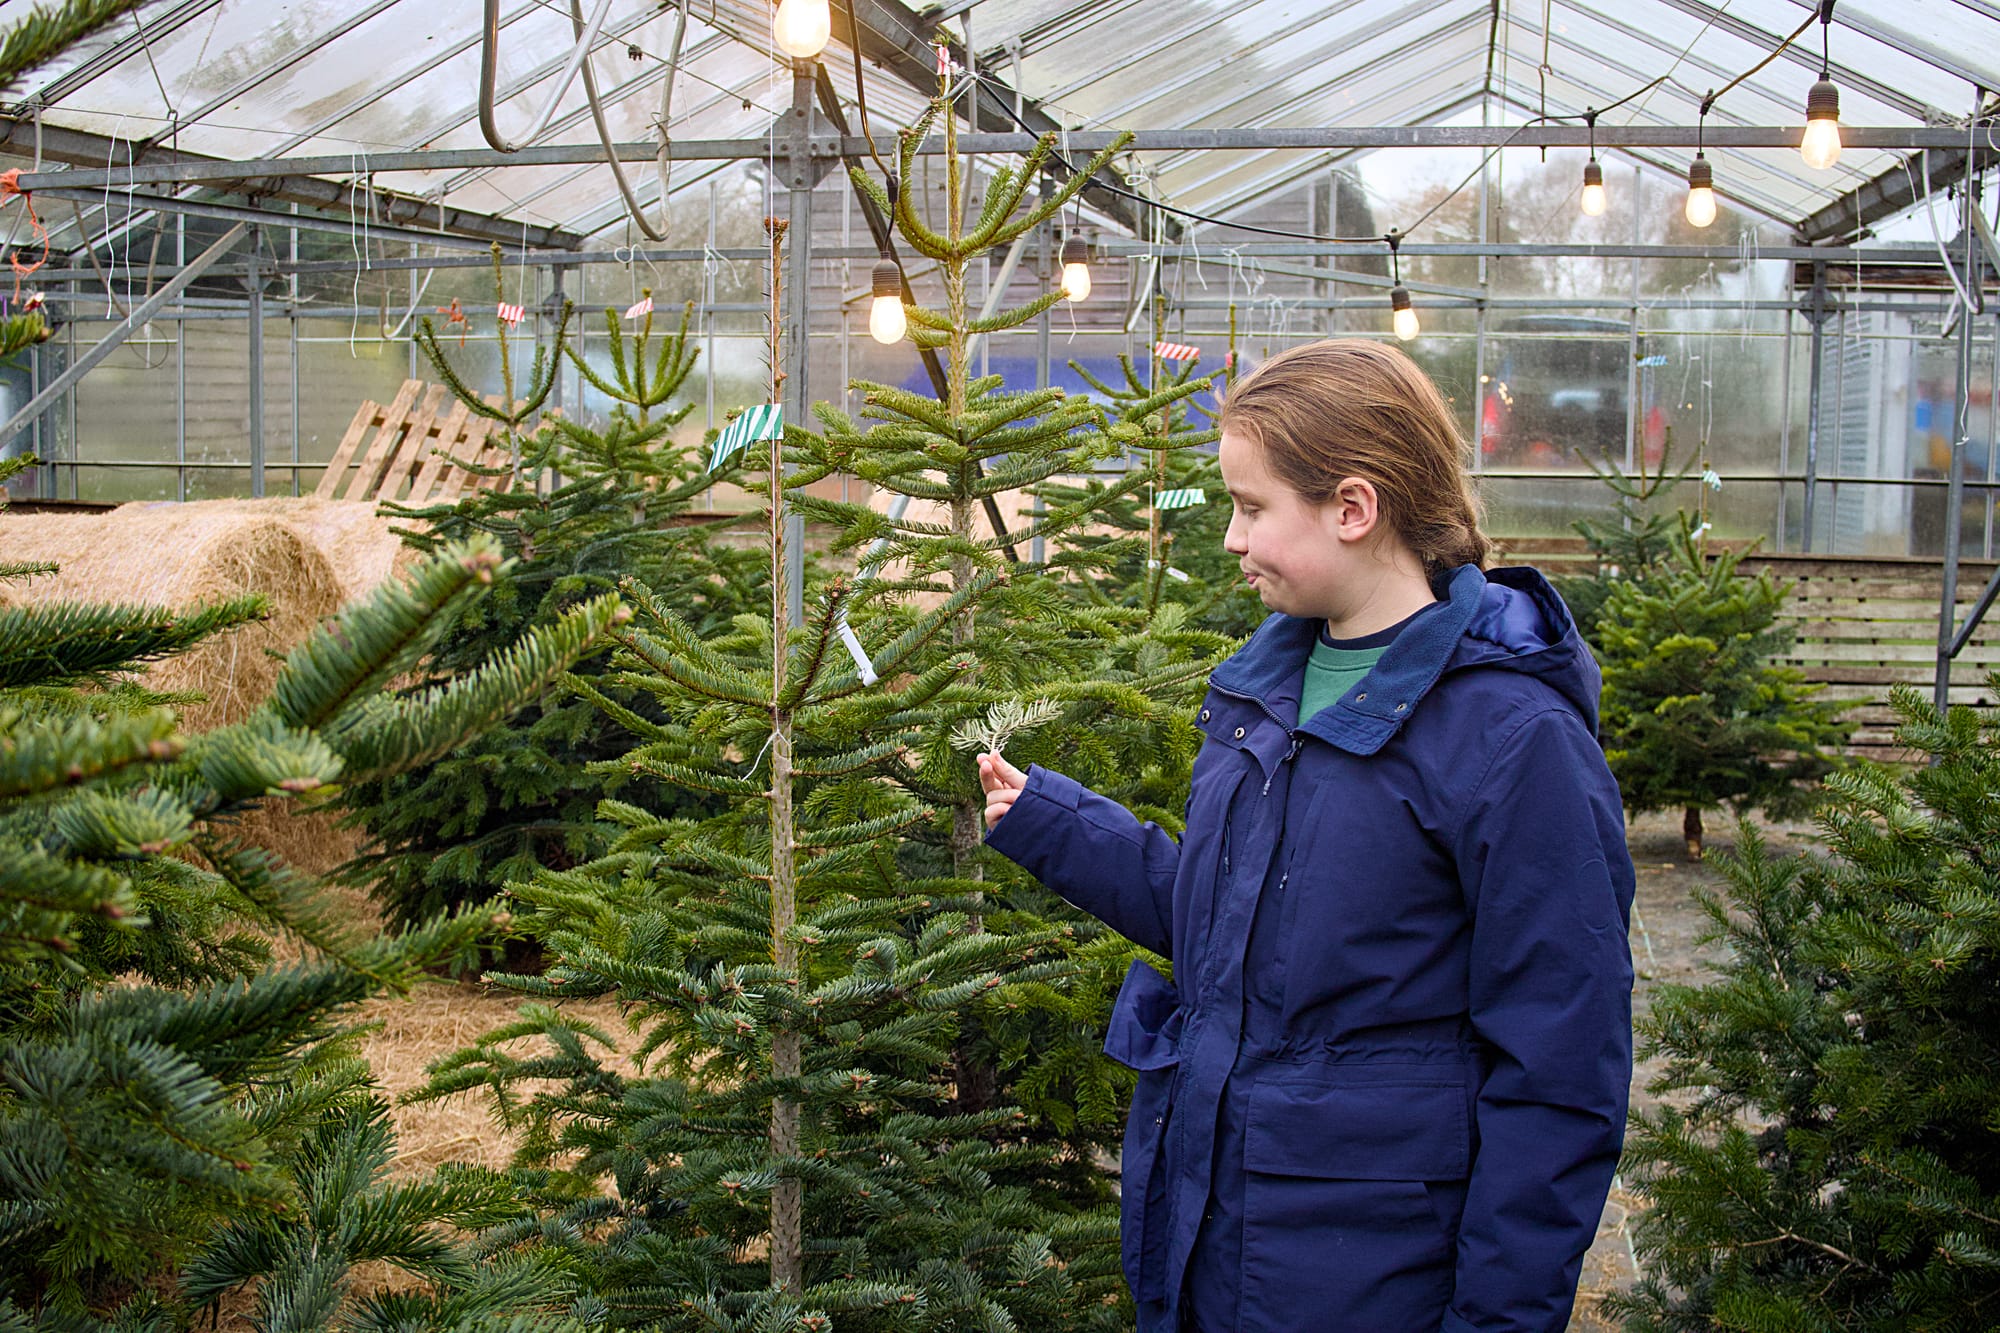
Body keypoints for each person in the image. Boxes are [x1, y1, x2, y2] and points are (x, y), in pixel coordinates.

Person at [979, 339, 1634, 1332]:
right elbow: (1233, 930)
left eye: (1250, 508)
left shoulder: (1510, 740)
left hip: (1364, 1266)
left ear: (1352, 507)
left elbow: (1560, 1068)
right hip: (1217, 1224)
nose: (1231, 540)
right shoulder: (1266, 686)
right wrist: (1058, 825)